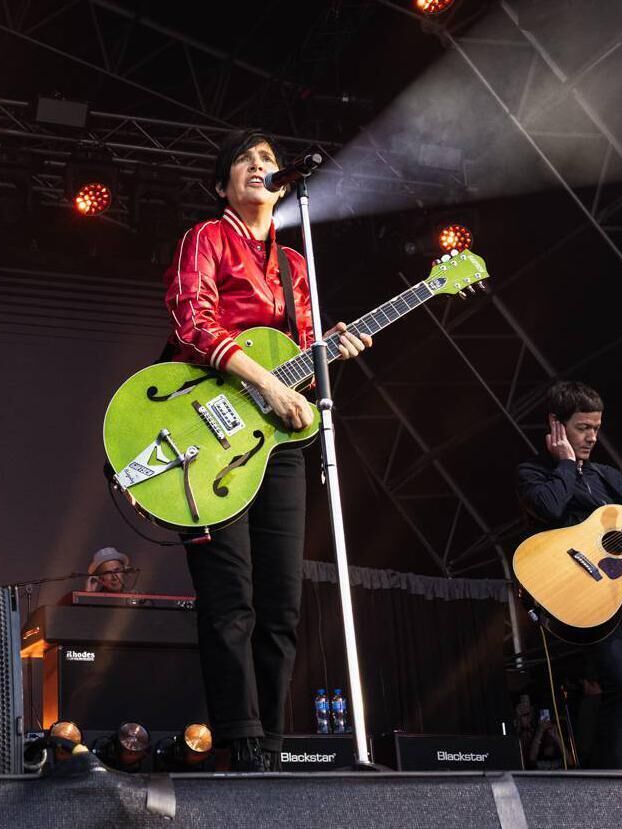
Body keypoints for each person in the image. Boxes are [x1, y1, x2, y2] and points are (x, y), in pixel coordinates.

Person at [163, 128, 371, 771]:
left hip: (276, 440)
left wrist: (330, 350)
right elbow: (190, 319)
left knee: (282, 602)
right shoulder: (207, 238)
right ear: (224, 183)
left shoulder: (295, 264)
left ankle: (274, 748)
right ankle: (242, 739)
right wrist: (262, 381)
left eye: (268, 161)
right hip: (208, 430)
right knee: (232, 597)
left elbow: (300, 361)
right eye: (246, 161)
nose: (260, 167)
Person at [514, 380, 622, 769]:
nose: (593, 436)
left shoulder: (608, 477)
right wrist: (564, 464)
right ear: (556, 425)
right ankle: (612, 791)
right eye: (583, 428)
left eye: (597, 427)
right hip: (586, 597)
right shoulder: (534, 472)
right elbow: (549, 509)